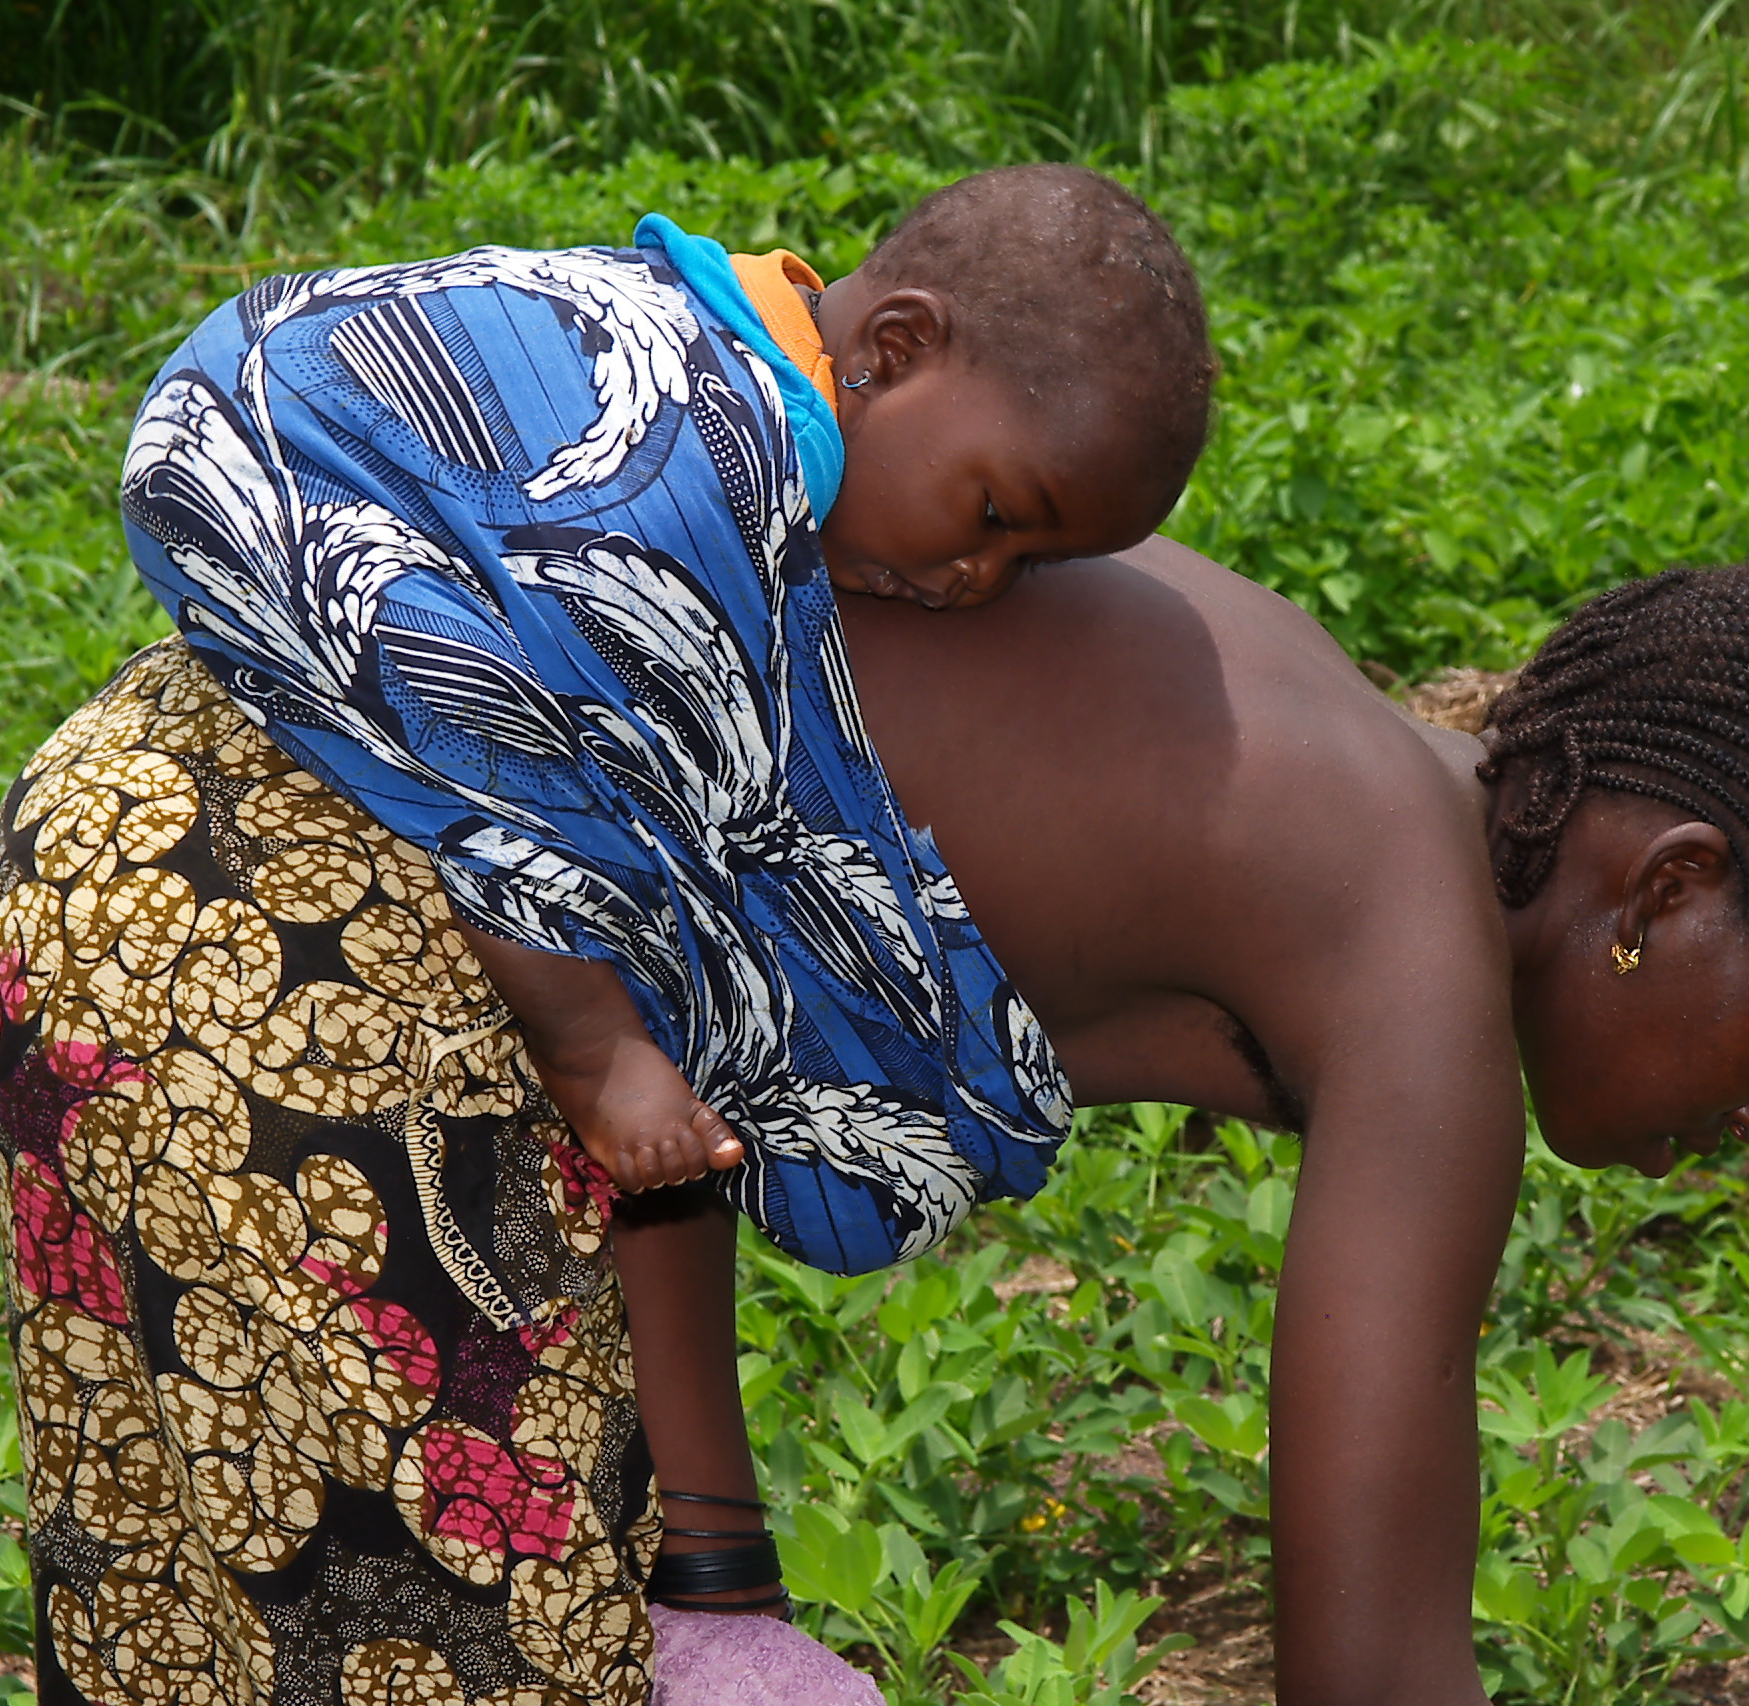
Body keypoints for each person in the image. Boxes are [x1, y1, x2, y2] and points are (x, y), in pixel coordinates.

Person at [0, 528, 1749, 1703]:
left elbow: (676, 976)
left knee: (216, 1637)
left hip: (146, 835)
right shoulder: (1412, 963)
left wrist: (709, 1550)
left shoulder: (1330, 777)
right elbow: (1374, 1672)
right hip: (302, 944)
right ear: (1664, 894)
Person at [113, 163, 1216, 1618]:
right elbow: (685, 792)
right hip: (255, 470)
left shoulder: (721, 326)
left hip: (236, 402)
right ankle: (589, 1040)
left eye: (1031, 563)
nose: (975, 578)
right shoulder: (692, 477)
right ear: (889, 351)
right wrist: (665, 1037)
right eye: (999, 511)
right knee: (553, 771)